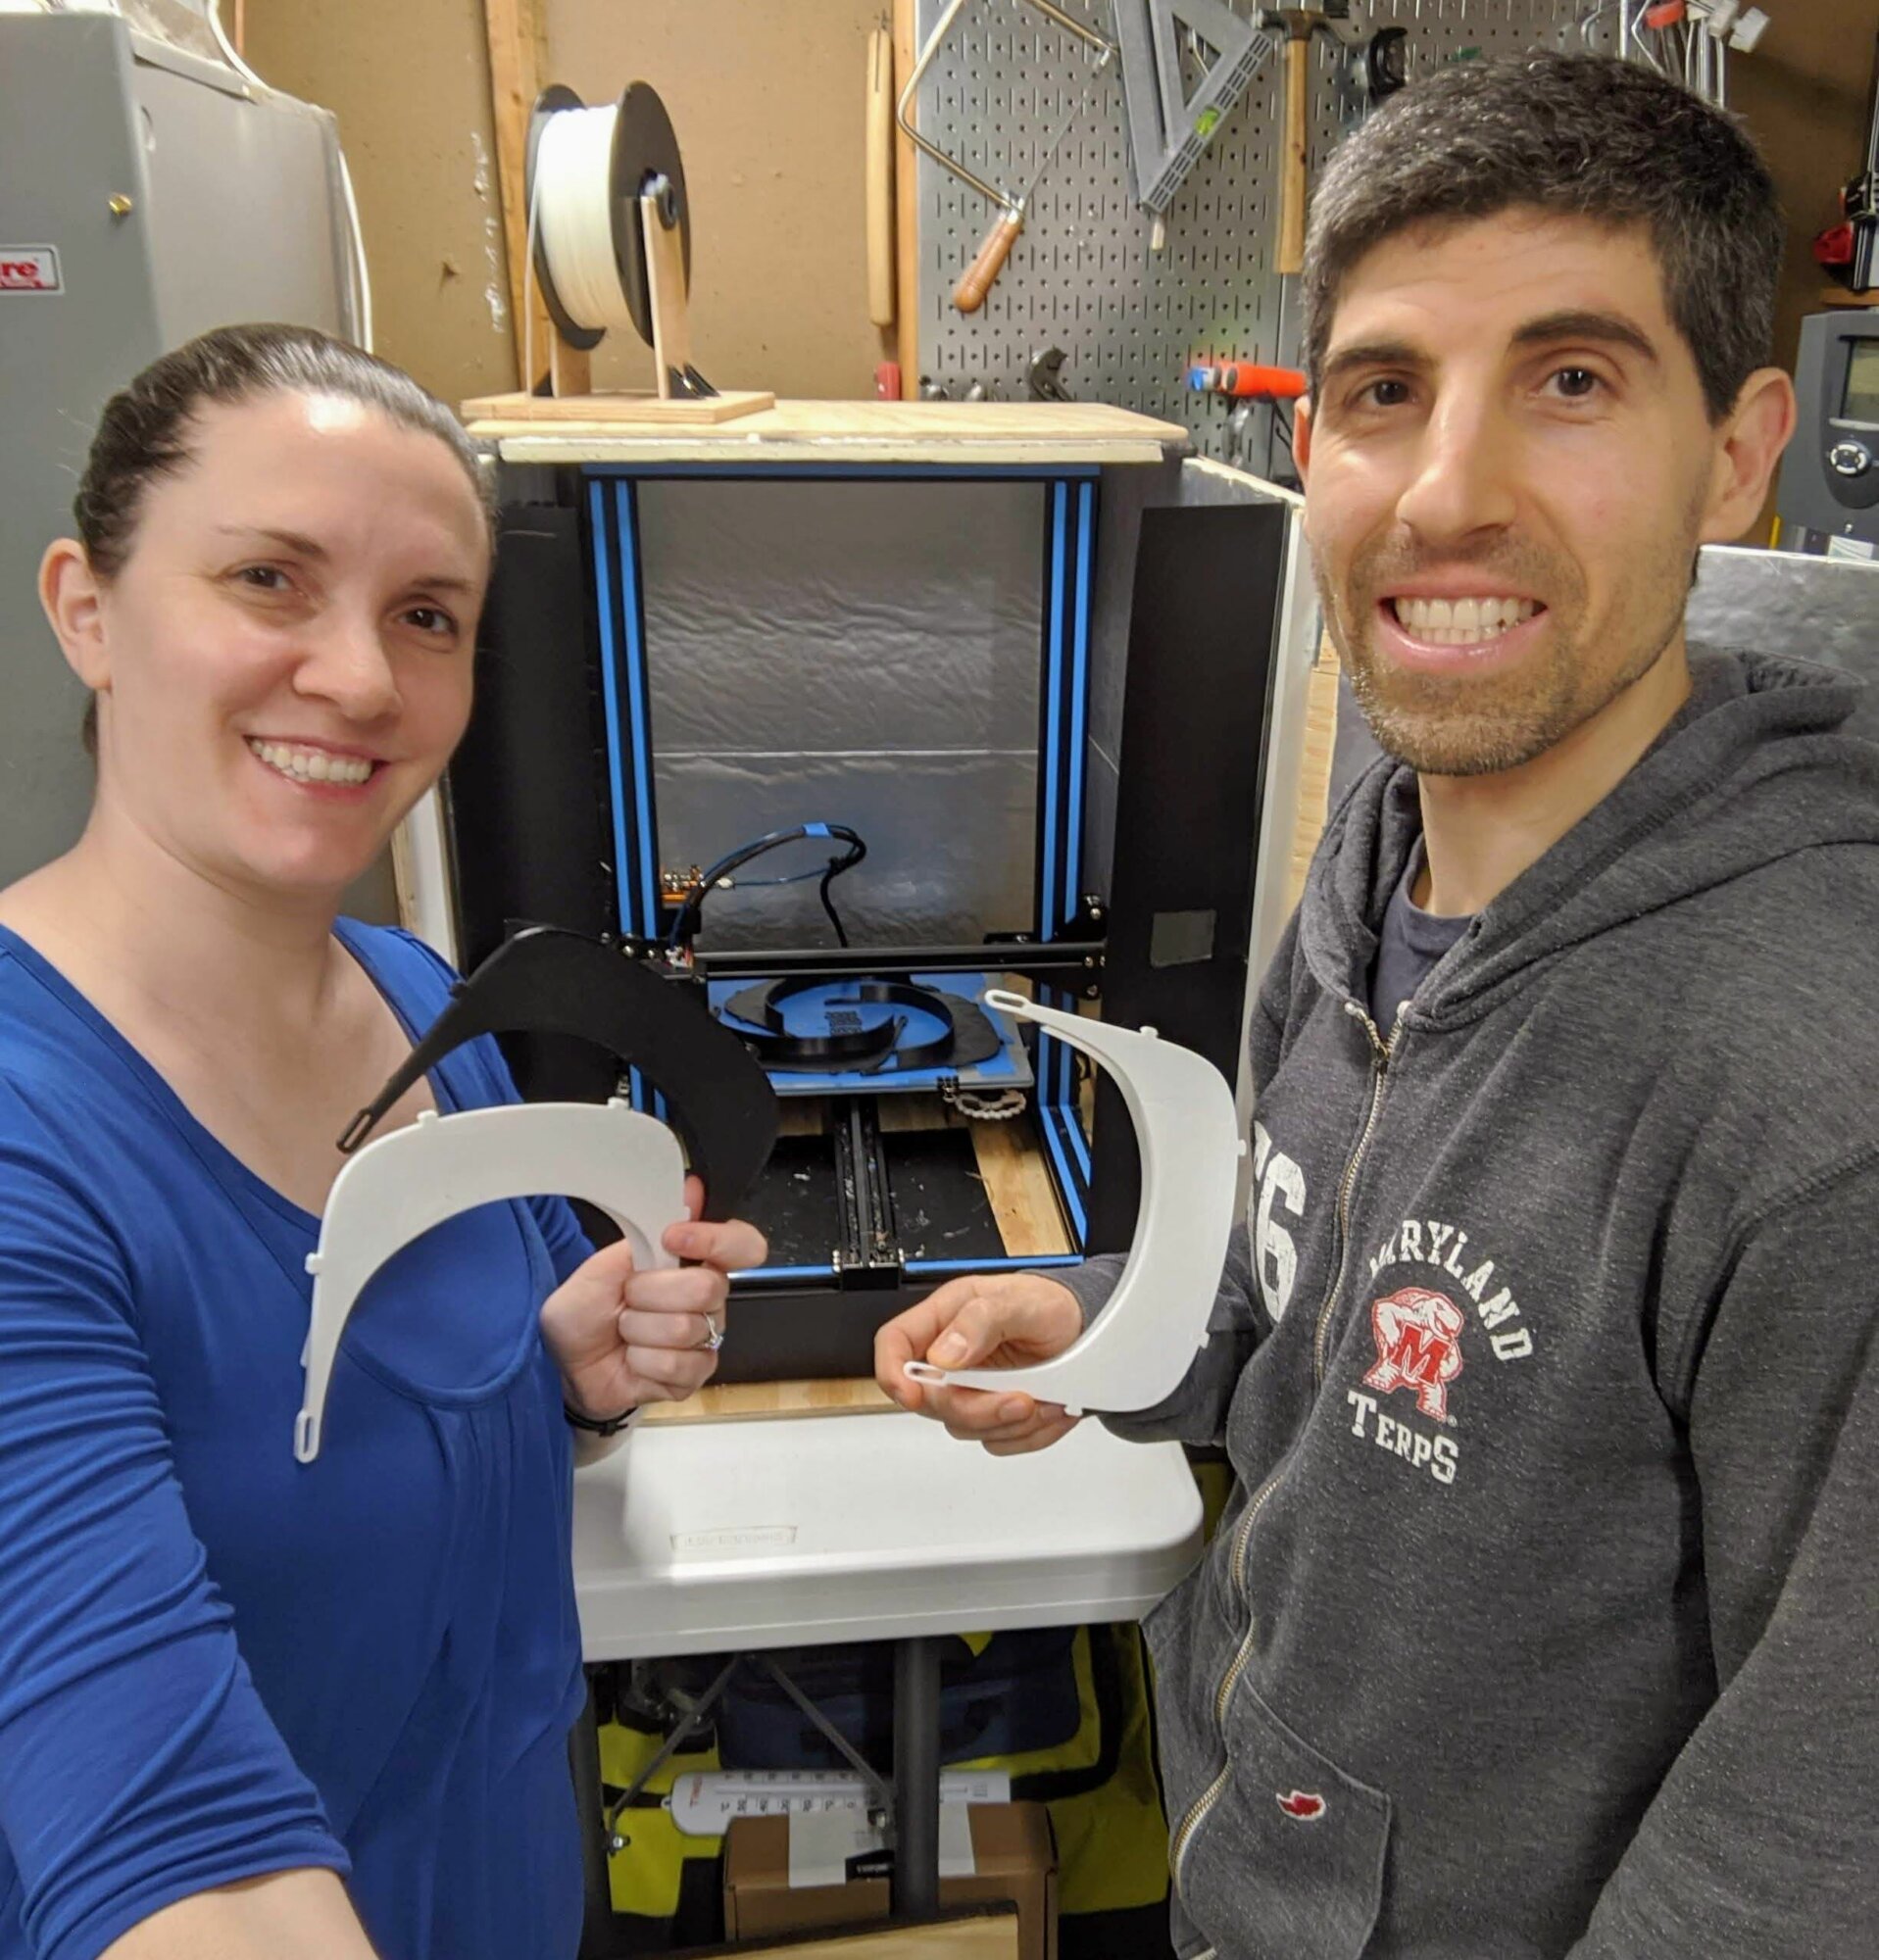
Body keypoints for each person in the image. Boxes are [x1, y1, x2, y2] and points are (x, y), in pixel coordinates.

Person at [879, 51, 1879, 1960]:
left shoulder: (1813, 1081)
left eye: (1568, 382)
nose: (1444, 491)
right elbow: (1306, 1305)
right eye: (1381, 392)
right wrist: (1103, 1324)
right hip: (1257, 1865)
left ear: (1737, 448)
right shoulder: (1370, 871)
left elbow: (1809, 1834)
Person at [0, 323, 766, 1960]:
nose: (358, 679)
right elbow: (166, 1841)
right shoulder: (25, 1137)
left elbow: (410, 1486)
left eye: (427, 618)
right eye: (270, 580)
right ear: (89, 611)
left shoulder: (418, 997)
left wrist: (562, 1372)